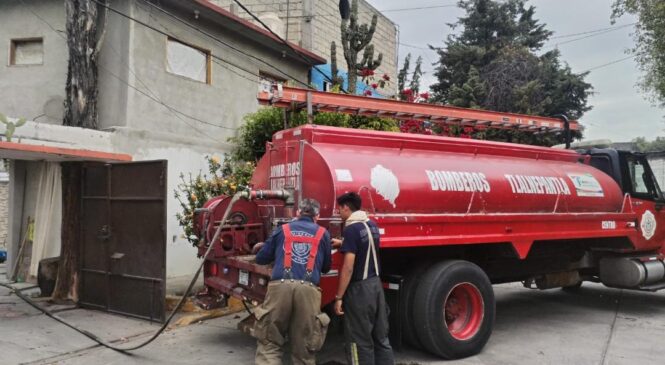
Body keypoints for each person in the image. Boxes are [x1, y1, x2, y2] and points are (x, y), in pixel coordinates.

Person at [251, 198, 333, 365]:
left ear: (297, 213)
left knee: (270, 341)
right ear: (317, 216)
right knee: (304, 347)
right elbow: (325, 267)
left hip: (280, 287)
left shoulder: (282, 230)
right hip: (308, 290)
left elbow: (261, 258)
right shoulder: (323, 233)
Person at [333, 192, 394, 365]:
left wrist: (339, 298)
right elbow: (364, 245)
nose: (339, 213)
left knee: (359, 340)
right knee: (381, 337)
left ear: (346, 207)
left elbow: (348, 267)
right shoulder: (371, 225)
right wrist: (343, 243)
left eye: (340, 210)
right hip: (376, 286)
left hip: (360, 290)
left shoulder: (351, 229)